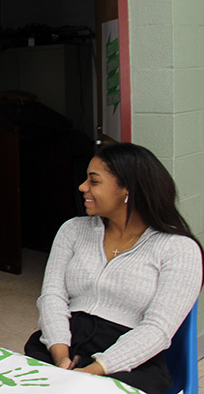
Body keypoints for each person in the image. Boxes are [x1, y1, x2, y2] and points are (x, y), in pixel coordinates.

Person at [24, 142, 203, 394]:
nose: (82, 187)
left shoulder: (178, 249)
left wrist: (94, 370)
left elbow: (158, 329)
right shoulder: (73, 230)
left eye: (94, 181)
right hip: (61, 344)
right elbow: (52, 297)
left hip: (128, 361)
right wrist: (60, 354)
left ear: (127, 189)